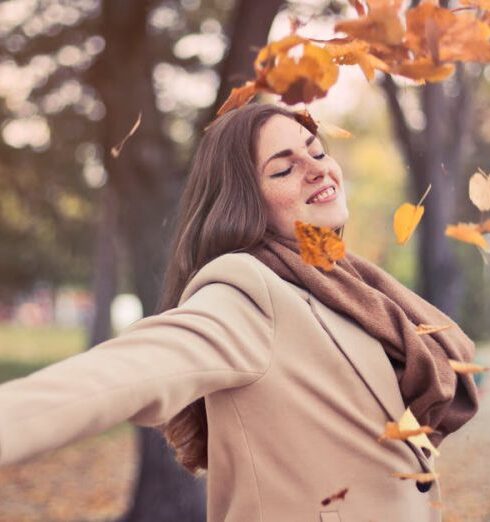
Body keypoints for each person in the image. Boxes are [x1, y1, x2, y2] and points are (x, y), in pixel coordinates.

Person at [0, 102, 479, 522]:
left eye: (315, 151)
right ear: (246, 204)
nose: (316, 170)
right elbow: (125, 373)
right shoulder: (248, 290)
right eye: (283, 169)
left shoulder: (349, 286)